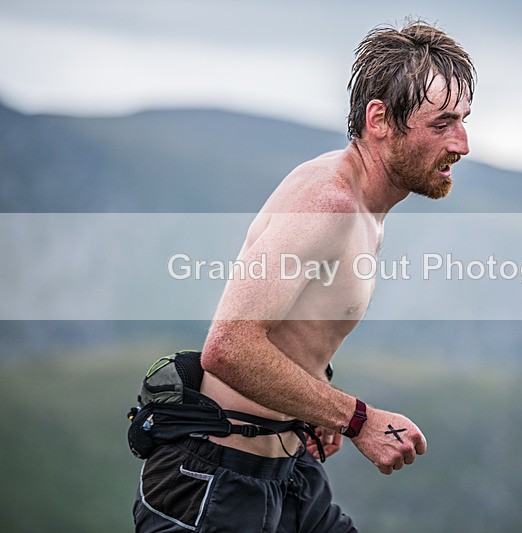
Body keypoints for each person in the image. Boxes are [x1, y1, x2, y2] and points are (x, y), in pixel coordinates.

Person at [134, 20, 475, 532]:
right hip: (216, 482)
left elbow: (297, 325)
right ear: (380, 119)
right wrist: (356, 419)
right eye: (442, 124)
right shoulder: (328, 204)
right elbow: (228, 347)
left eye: (464, 121)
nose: (462, 144)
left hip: (290, 472)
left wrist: (316, 398)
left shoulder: (366, 204)